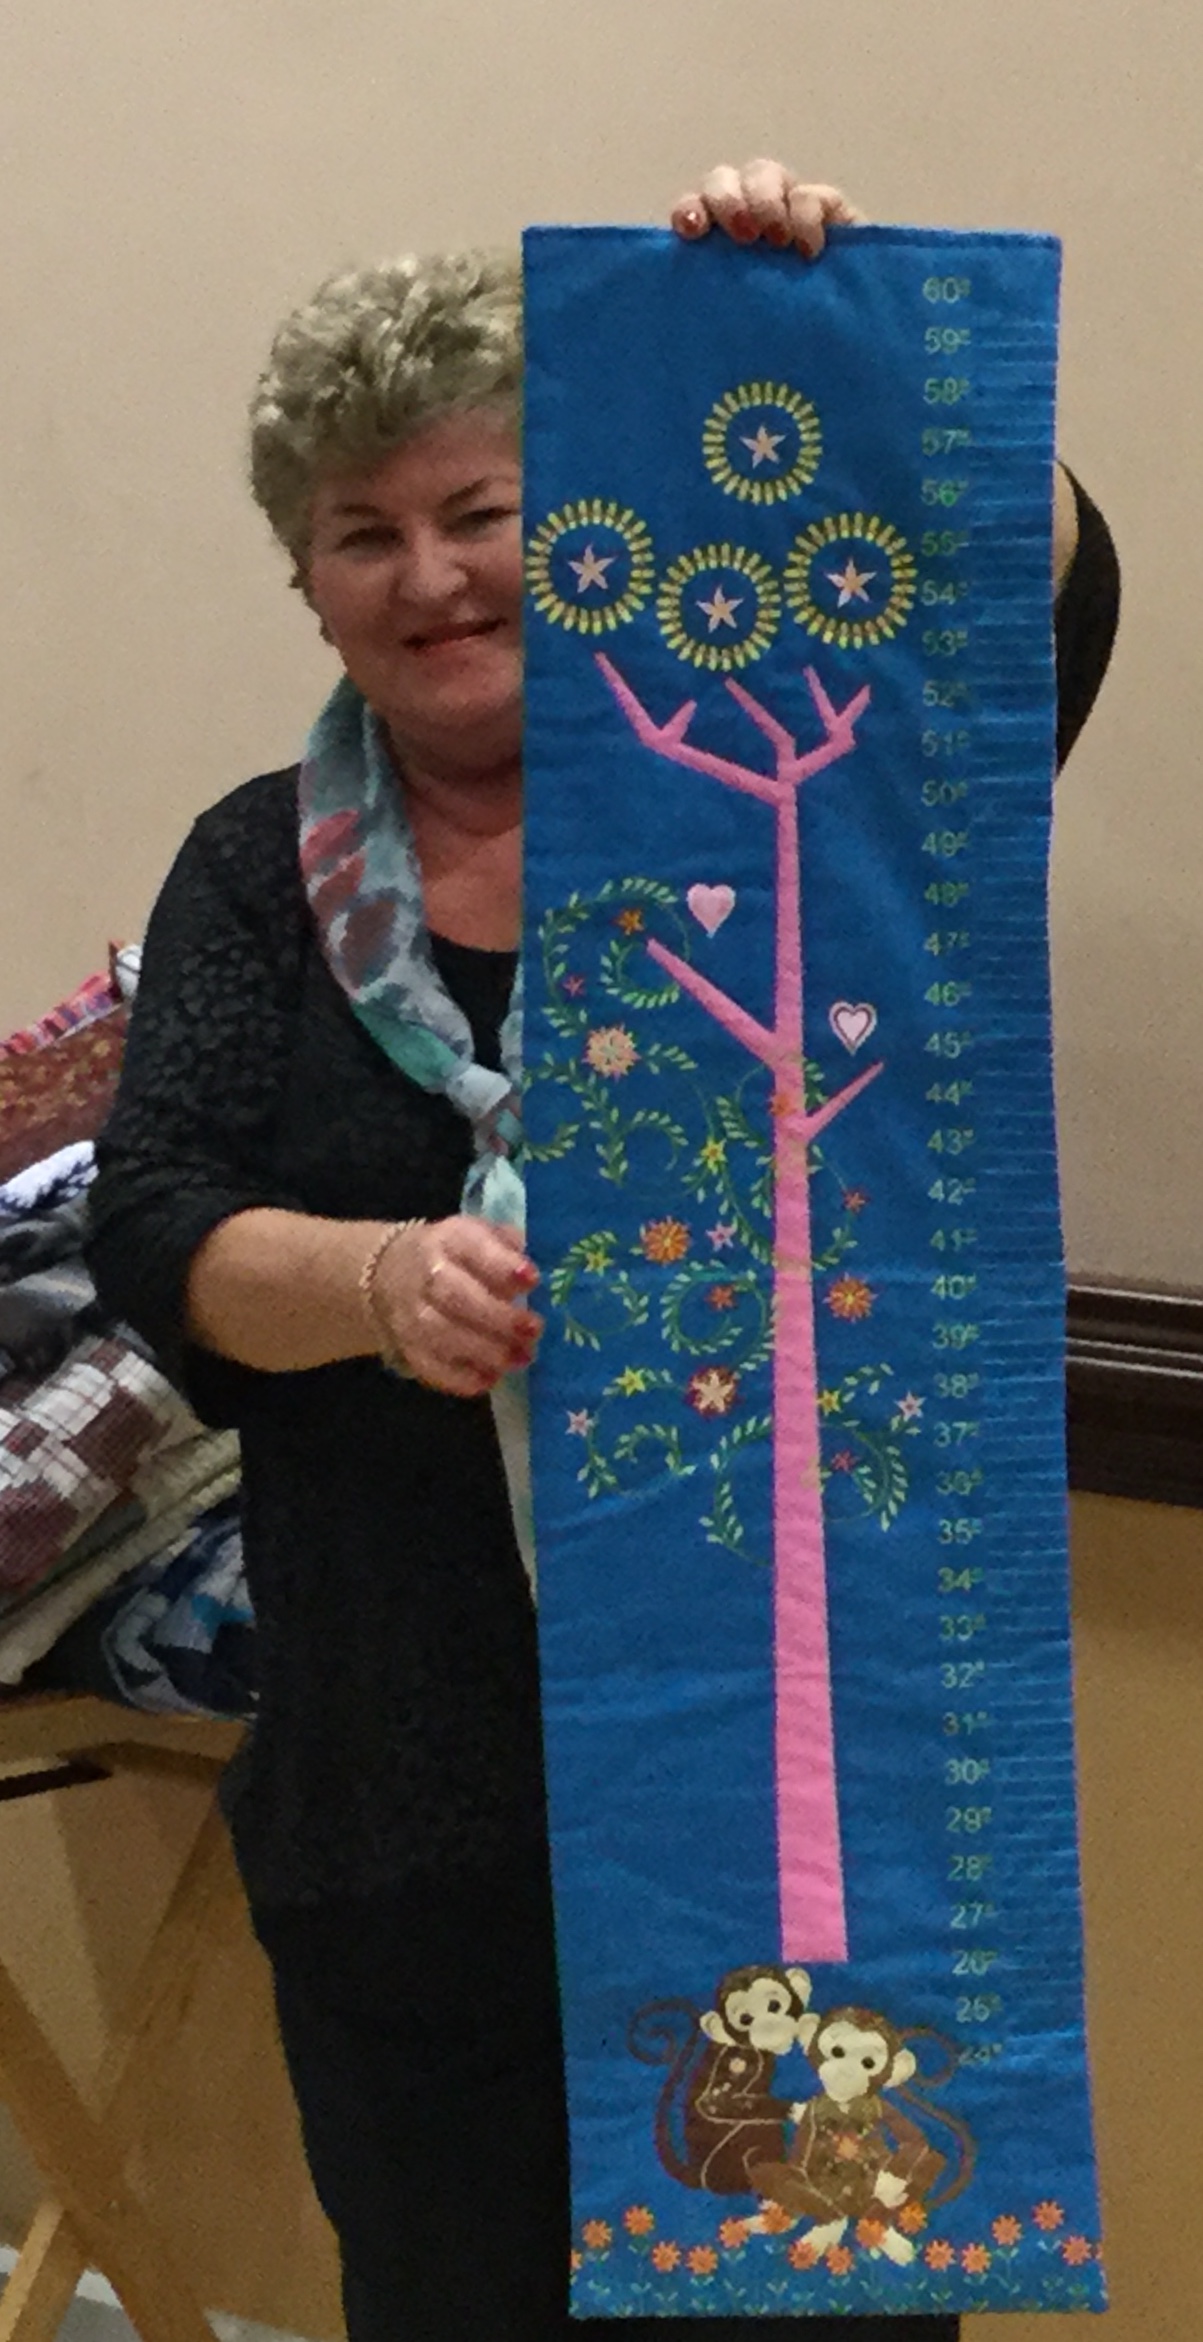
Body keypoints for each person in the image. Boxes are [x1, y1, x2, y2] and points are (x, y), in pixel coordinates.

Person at [87, 159, 1119, 2341]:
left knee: (822, 2301)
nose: (432, 575)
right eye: (362, 532)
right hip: (412, 1798)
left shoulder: (802, 795)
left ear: (592, 520)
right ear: (309, 583)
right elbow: (155, 1221)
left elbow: (1037, 599)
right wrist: (375, 1283)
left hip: (798, 1820)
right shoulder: (258, 867)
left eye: (484, 509)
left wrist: (810, 330)